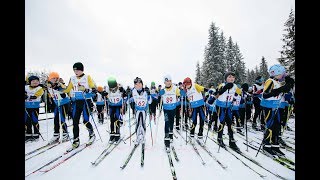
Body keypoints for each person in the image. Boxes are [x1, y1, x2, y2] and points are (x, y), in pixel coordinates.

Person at [60, 62, 97, 149]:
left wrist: (86, 89)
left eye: (77, 70)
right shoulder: (72, 78)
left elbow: (93, 89)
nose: (75, 72)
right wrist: (57, 88)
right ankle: (76, 140)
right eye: (74, 70)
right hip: (77, 102)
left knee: (86, 120)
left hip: (86, 101)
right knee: (75, 121)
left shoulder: (87, 77)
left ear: (82, 70)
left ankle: (92, 134)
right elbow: (67, 89)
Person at [260, 64, 294, 156]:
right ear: (276, 73)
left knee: (277, 127)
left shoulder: (278, 82)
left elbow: (280, 95)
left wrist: (288, 96)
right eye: (282, 74)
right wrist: (279, 90)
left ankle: (275, 146)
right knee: (270, 126)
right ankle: (266, 146)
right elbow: (265, 95)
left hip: (277, 107)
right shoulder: (270, 81)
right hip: (269, 107)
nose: (283, 76)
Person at [214, 72, 241, 150]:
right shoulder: (222, 85)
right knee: (222, 122)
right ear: (226, 78)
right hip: (220, 106)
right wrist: (224, 89)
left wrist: (244, 95)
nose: (231, 78)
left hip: (228, 106)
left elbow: (240, 92)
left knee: (230, 123)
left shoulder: (235, 86)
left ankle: (231, 141)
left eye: (233, 77)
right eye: (229, 77)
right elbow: (217, 94)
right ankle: (219, 138)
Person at [46, 72, 70, 143]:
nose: (55, 79)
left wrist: (59, 89)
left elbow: (64, 89)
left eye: (57, 78)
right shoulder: (49, 86)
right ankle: (56, 134)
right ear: (50, 79)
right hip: (57, 103)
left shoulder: (60, 84)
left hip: (64, 103)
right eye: (53, 78)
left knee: (62, 118)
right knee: (56, 118)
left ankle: (65, 133)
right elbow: (50, 94)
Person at [159, 75, 180, 150]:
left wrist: (182, 94)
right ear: (164, 82)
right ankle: (166, 137)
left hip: (173, 108)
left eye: (170, 81)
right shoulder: (163, 90)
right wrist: (159, 93)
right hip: (166, 109)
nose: (168, 82)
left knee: (171, 121)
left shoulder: (175, 88)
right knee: (167, 122)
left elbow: (179, 94)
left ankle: (171, 132)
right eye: (167, 81)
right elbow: (159, 96)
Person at [129, 77, 152, 145]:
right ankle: (137, 137)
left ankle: (143, 137)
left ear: (142, 84)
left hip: (144, 110)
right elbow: (128, 101)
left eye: (139, 83)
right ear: (134, 85)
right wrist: (129, 96)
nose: (138, 85)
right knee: (138, 123)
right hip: (137, 110)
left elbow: (150, 102)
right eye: (136, 84)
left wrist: (149, 95)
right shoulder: (133, 91)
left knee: (143, 123)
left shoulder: (145, 91)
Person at [106, 76, 127, 144]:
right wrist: (103, 93)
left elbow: (125, 96)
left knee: (117, 119)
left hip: (118, 106)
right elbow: (104, 94)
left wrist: (124, 93)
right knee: (112, 120)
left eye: (114, 88)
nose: (112, 89)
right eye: (111, 88)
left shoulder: (120, 88)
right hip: (111, 106)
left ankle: (117, 135)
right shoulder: (108, 89)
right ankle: (112, 135)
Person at [25, 75, 44, 142]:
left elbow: (35, 96)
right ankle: (28, 134)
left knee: (34, 120)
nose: (35, 82)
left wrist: (27, 96)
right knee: (27, 121)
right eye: (33, 81)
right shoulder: (26, 87)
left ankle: (36, 134)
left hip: (34, 107)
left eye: (37, 81)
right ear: (30, 82)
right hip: (27, 107)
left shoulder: (39, 88)